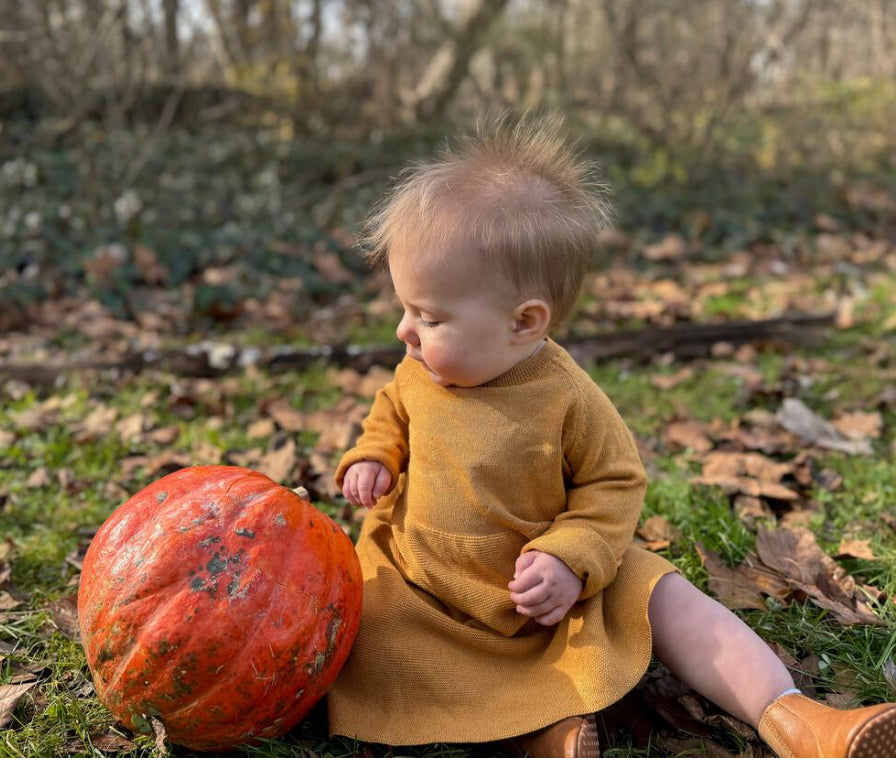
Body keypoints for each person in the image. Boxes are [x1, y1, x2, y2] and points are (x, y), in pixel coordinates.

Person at [325, 115, 895, 757]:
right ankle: (544, 730)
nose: (404, 330)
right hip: (425, 585)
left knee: (664, 595)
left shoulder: (565, 395)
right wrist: (372, 457)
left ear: (524, 322)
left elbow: (614, 482)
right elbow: (390, 414)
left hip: (543, 593)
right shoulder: (419, 369)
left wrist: (571, 556)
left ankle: (797, 719)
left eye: (428, 316)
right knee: (372, 624)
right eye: (404, 307)